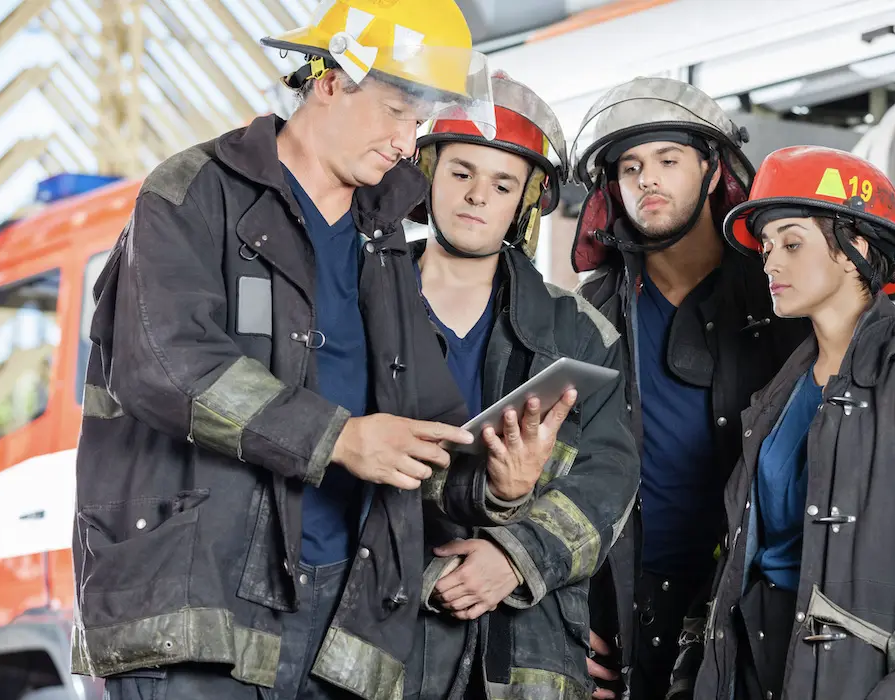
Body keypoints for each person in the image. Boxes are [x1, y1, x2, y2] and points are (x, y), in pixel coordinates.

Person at [70, 3, 541, 699]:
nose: (405, 143)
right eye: (395, 112)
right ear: (328, 82)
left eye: (416, 124)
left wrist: (496, 488)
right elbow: (168, 364)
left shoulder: (380, 242)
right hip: (204, 603)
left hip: (345, 611)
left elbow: (428, 419)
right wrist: (339, 438)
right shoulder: (194, 195)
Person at [670, 145, 895, 700]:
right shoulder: (778, 393)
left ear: (854, 249)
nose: (770, 262)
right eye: (768, 246)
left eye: (791, 243)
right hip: (766, 670)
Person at [567, 77, 810, 700]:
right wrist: (562, 623)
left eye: (668, 160)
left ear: (711, 171)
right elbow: (551, 476)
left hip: (757, 609)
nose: (647, 179)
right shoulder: (583, 320)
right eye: (630, 166)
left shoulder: (784, 298)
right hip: (631, 615)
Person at [403, 70, 640, 700]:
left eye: (502, 182)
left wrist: (514, 558)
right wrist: (432, 571)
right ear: (427, 177)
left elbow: (608, 481)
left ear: (527, 200)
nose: (478, 196)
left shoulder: (580, 333)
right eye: (461, 173)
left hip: (526, 653)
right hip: (385, 638)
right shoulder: (360, 305)